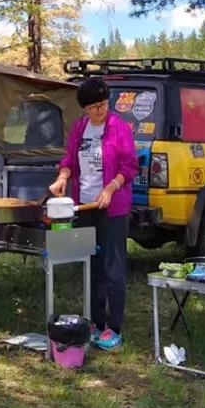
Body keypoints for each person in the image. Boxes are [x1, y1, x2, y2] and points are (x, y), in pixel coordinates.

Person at [48, 76, 139, 351]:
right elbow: (69, 160)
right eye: (93, 107)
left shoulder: (119, 128)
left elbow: (129, 166)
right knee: (93, 265)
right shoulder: (80, 128)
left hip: (113, 208)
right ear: (84, 109)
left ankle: (114, 328)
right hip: (85, 205)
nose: (100, 110)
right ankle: (96, 322)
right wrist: (63, 177)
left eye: (103, 104)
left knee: (113, 268)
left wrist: (111, 189)